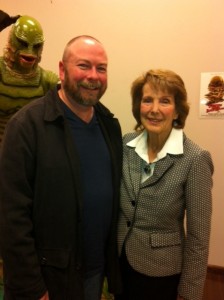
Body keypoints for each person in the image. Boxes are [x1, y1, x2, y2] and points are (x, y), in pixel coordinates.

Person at [0, 35, 122, 300]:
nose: (93, 75)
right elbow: (11, 217)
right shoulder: (26, 127)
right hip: (46, 281)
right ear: (62, 70)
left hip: (93, 274)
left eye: (101, 68)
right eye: (83, 66)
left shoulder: (110, 126)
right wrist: (32, 287)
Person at [117, 69, 214, 300]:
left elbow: (199, 237)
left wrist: (189, 293)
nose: (154, 109)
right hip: (121, 263)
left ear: (178, 110)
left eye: (165, 101)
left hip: (162, 273)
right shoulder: (126, 144)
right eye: (147, 100)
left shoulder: (195, 158)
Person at [0, 15, 59, 146]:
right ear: (12, 42)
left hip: (29, 151)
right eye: (23, 44)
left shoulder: (47, 81)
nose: (30, 52)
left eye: (36, 46)